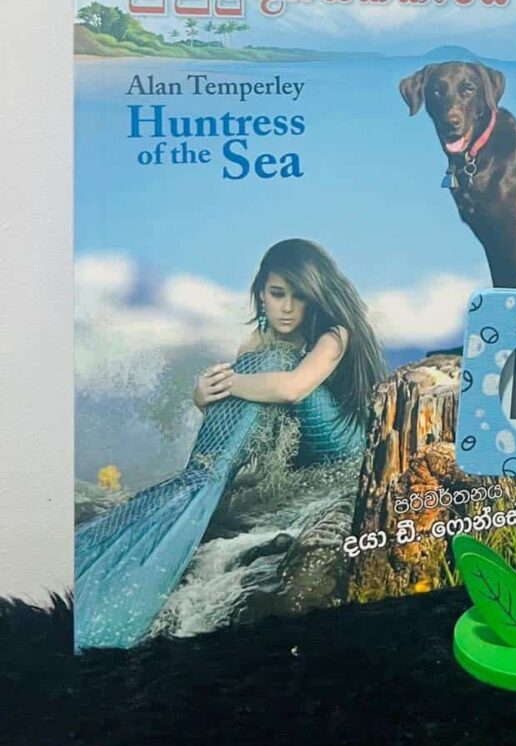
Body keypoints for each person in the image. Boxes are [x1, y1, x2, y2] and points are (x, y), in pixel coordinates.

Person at [75, 239, 385, 650]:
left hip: (343, 447)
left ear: (316, 297)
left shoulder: (335, 333)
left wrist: (232, 383)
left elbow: (292, 388)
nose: (287, 307)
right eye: (277, 294)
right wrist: (203, 398)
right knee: (259, 364)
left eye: (299, 296)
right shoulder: (256, 343)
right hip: (301, 459)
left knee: (273, 364)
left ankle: (201, 484)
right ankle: (198, 483)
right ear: (261, 293)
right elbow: (244, 412)